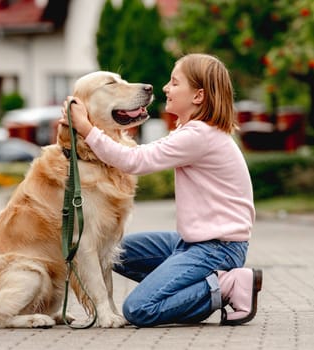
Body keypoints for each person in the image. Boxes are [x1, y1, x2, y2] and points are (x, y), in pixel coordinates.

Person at [61, 53, 262, 327]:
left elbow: (135, 161)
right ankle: (190, 287)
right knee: (114, 252)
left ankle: (226, 284)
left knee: (139, 309)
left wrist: (85, 127)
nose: (165, 88)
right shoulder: (194, 131)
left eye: (175, 83)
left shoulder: (197, 136)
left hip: (217, 249)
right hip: (192, 243)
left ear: (198, 96)